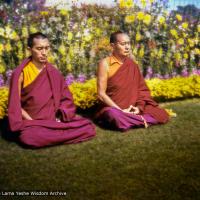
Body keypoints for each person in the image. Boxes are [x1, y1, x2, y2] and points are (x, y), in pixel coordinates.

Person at [8, 32, 96, 148]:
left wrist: (61, 115)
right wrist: (32, 122)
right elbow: (15, 105)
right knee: (28, 138)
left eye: (46, 48)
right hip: (32, 123)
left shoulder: (53, 72)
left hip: (54, 121)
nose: (44, 53)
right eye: (39, 49)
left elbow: (66, 99)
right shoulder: (21, 74)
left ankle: (55, 132)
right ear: (30, 49)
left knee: (88, 127)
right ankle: (59, 134)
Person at [95, 31, 169, 131]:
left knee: (161, 113)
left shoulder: (132, 64)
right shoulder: (105, 64)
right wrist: (120, 111)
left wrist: (138, 108)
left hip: (132, 108)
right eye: (123, 44)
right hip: (114, 108)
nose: (127, 47)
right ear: (113, 46)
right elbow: (101, 94)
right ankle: (141, 120)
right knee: (113, 115)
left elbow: (141, 90)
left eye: (128, 43)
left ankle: (131, 120)